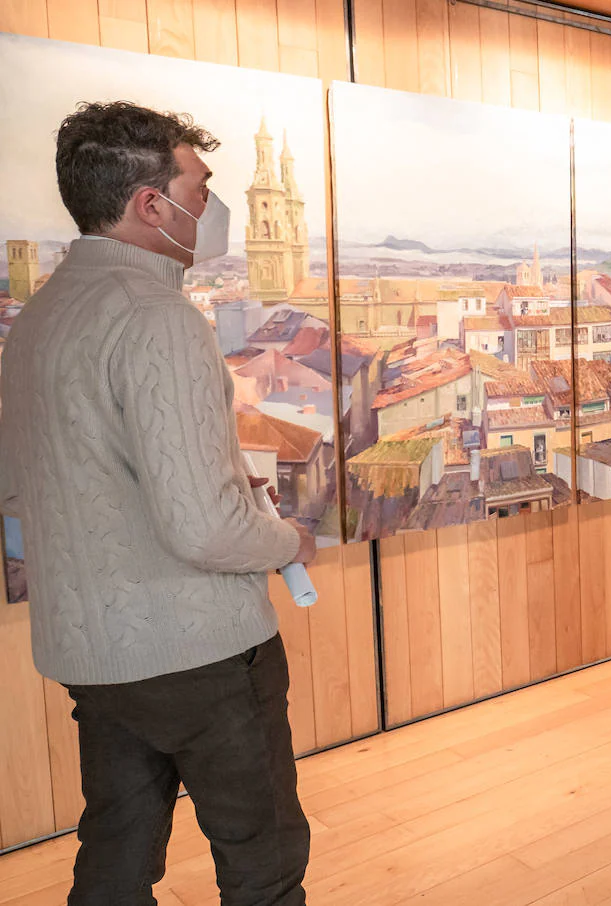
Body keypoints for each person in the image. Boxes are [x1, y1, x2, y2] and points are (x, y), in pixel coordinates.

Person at [0, 102, 316, 905]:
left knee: (115, 852)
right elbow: (206, 530)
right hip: (197, 651)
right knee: (262, 860)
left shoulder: (40, 315)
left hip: (94, 652)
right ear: (151, 204)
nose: (212, 210)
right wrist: (283, 540)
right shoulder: (157, 317)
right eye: (201, 190)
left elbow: (27, 485)